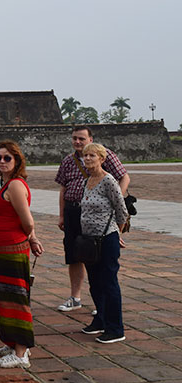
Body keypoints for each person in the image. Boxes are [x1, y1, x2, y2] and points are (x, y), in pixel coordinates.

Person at [55, 126, 129, 312]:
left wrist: (114, 199)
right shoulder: (68, 161)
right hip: (74, 212)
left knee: (100, 258)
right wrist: (62, 214)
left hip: (99, 215)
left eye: (81, 138)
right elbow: (63, 189)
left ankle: (103, 302)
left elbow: (124, 177)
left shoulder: (104, 155)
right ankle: (76, 296)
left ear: (90, 139)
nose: (77, 142)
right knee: (75, 254)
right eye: (74, 138)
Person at [0, 141, 44, 368]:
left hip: (11, 249)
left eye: (7, 158)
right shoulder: (6, 184)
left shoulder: (16, 186)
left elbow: (27, 220)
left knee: (15, 298)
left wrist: (29, 237)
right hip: (0, 250)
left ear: (17, 161)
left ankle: (21, 353)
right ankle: (12, 342)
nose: (2, 161)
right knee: (3, 297)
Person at [79, 143, 129, 344]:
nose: (88, 159)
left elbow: (121, 210)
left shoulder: (108, 180)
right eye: (86, 155)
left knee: (109, 282)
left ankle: (115, 327)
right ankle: (100, 319)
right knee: (95, 283)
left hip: (106, 238)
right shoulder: (88, 180)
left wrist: (116, 232)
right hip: (89, 240)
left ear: (102, 159)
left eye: (92, 155)